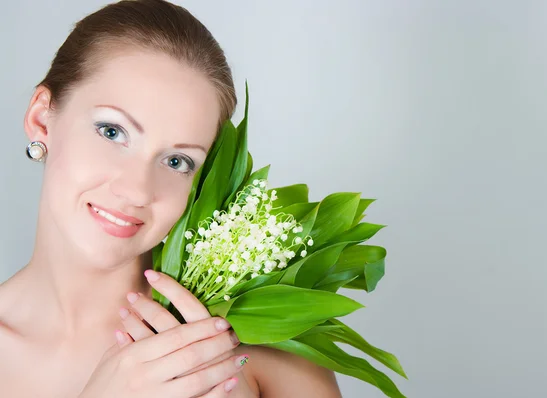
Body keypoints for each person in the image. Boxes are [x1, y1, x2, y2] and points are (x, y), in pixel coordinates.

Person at [0, 0, 343, 396]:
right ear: (42, 119)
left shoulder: (261, 351)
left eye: (177, 161)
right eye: (112, 132)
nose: (137, 190)